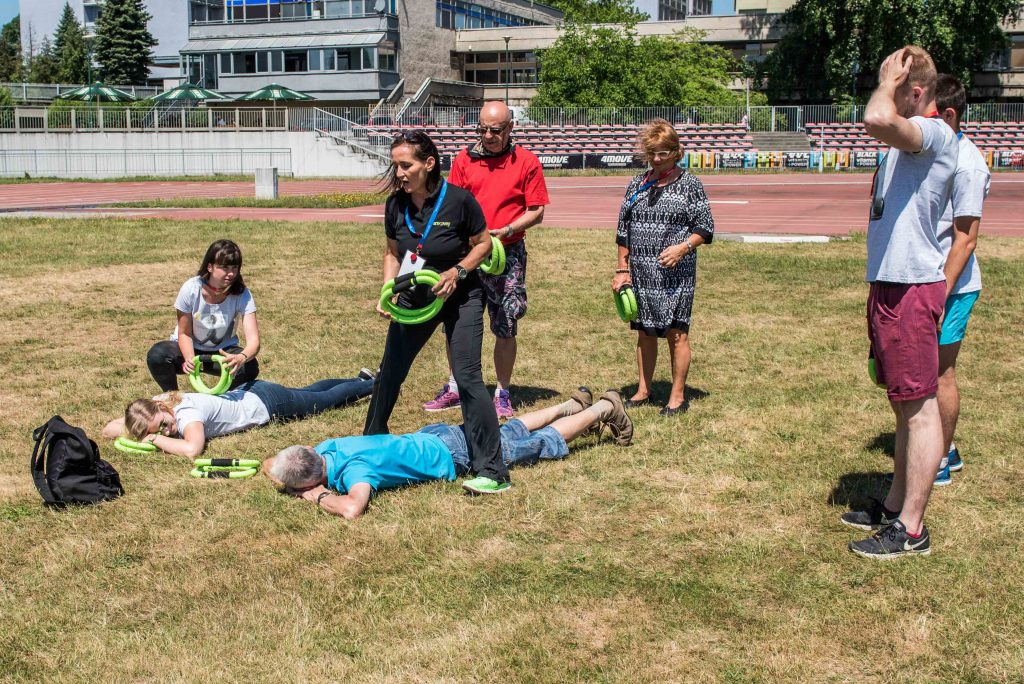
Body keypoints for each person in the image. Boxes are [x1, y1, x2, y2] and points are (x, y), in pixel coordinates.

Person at [841, 47, 958, 559]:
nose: (882, 87)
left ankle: (912, 528)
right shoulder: (906, 140)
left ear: (915, 91)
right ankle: (895, 506)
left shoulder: (933, 132)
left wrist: (887, 84)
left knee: (919, 405)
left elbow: (873, 117)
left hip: (912, 286)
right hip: (892, 282)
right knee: (902, 403)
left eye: (892, 81)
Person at [364, 130, 510, 495]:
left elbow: (484, 244)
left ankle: (491, 470)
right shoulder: (395, 205)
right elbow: (393, 252)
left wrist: (457, 271)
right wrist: (388, 289)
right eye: (395, 165)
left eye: (405, 165)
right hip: (415, 296)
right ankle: (369, 444)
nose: (398, 172)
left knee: (468, 377)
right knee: (390, 374)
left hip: (460, 296)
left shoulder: (459, 201)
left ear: (428, 163)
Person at [265, 388, 633, 518]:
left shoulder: (356, 472)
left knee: (536, 445)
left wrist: (318, 497)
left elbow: (352, 509)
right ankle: (569, 404)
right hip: (436, 435)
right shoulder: (329, 448)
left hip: (456, 458)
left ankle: (602, 409)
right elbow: (273, 464)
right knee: (509, 431)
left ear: (313, 479)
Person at [423, 100, 550, 419]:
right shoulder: (465, 159)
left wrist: (506, 229)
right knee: (456, 321)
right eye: (482, 129)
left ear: (510, 129)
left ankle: (503, 392)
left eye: (495, 130)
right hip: (467, 252)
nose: (488, 135)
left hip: (506, 253)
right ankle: (455, 386)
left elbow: (536, 211)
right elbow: (454, 204)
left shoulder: (527, 162)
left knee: (505, 322)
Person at [611, 118, 715, 416]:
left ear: (675, 151)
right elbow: (623, 229)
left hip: (675, 273)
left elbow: (705, 228)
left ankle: (677, 396)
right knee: (644, 332)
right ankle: (643, 390)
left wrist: (683, 248)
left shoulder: (690, 184)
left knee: (676, 332)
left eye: (663, 153)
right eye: (652, 153)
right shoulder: (637, 183)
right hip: (641, 271)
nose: (656, 159)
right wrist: (622, 269)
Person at [101, 370, 376, 458]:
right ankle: (359, 378)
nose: (166, 431)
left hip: (269, 404)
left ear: (162, 409)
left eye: (162, 425)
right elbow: (108, 429)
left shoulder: (186, 416)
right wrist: (136, 432)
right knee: (311, 393)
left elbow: (193, 449)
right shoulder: (160, 402)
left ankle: (377, 383)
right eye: (157, 432)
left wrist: (154, 441)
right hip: (252, 391)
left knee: (323, 401)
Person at [932, 74, 991, 483]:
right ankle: (946, 451)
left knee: (939, 374)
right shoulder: (943, 154)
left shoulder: (968, 164)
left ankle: (938, 463)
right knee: (924, 373)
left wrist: (940, 293)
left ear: (949, 114)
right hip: (934, 285)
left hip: (952, 289)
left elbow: (965, 241)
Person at [147, 239, 260, 392]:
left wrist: (241, 358)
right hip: (189, 348)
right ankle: (172, 398)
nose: (231, 273)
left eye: (235, 267)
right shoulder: (191, 288)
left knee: (249, 367)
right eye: (225, 267)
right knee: (157, 355)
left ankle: (222, 401)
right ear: (210, 267)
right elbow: (184, 333)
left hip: (222, 351)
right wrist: (189, 359)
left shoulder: (242, 294)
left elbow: (254, 342)